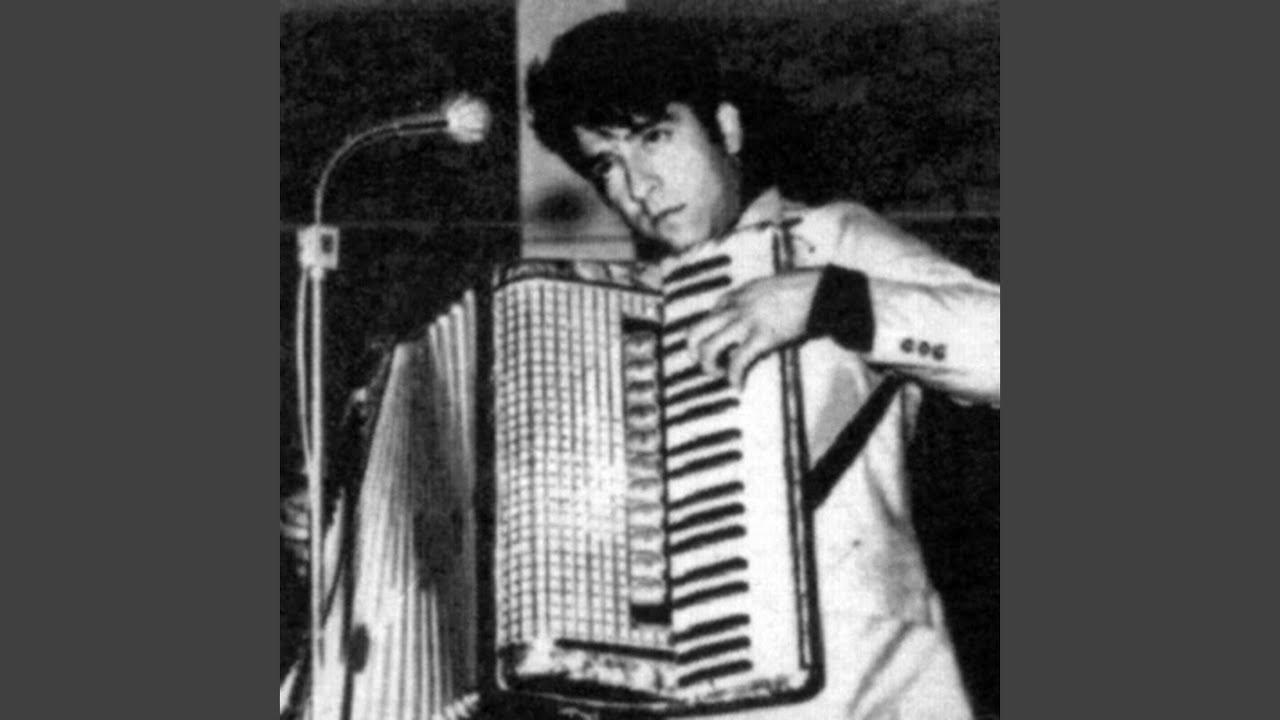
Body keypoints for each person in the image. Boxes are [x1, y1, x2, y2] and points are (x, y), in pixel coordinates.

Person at [525, 12, 1000, 720]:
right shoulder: (612, 323)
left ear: (727, 128)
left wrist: (830, 299)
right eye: (607, 167)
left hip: (861, 690)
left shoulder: (827, 238)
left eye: (654, 137)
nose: (639, 186)